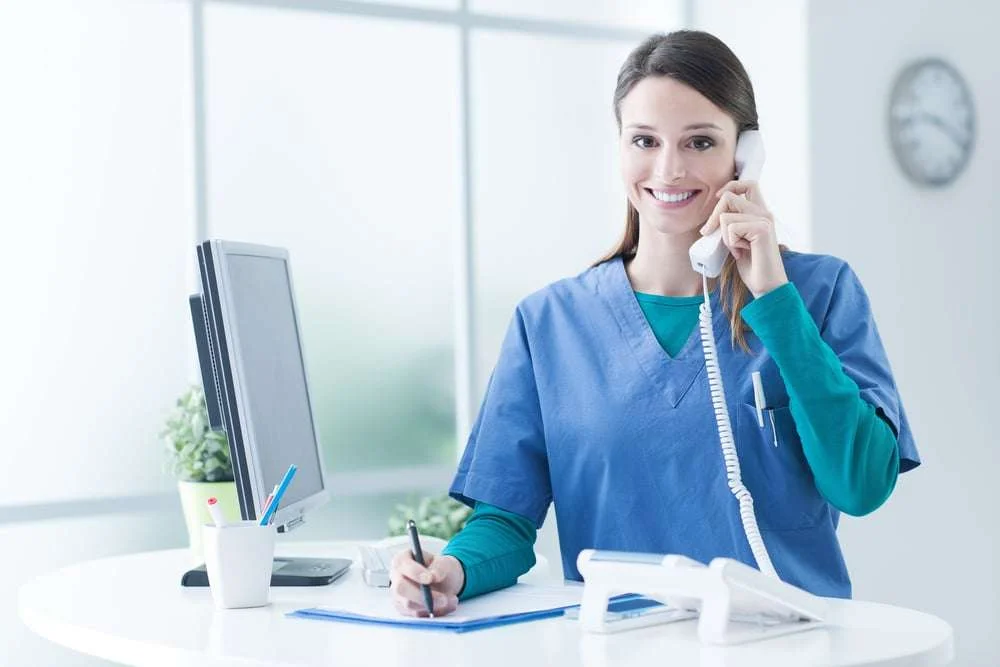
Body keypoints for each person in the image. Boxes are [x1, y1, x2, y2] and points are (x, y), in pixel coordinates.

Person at [390, 30, 919, 618]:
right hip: (619, 645)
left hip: (790, 646)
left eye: (699, 141)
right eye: (645, 140)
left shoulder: (819, 293)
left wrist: (773, 297)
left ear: (744, 156)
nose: (669, 169)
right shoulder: (549, 323)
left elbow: (862, 486)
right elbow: (506, 521)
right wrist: (452, 570)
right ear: (620, 147)